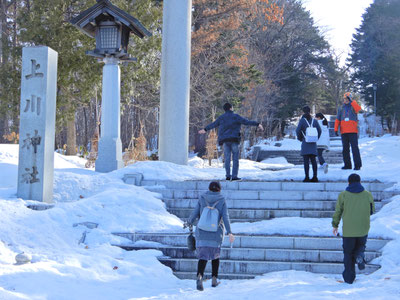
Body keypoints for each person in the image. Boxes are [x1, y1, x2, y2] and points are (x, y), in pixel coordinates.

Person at [187, 181, 234, 291]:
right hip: (215, 233)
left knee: (202, 257)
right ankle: (214, 279)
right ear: (219, 189)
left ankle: (199, 276)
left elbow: (195, 213)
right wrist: (229, 232)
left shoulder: (202, 198)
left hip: (202, 232)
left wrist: (189, 222)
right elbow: (225, 217)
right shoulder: (221, 200)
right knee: (215, 257)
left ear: (209, 188)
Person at [198, 103, 263, 181]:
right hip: (234, 139)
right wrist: (257, 124)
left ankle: (228, 176)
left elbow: (213, 124)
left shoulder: (221, 117)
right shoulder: (236, 116)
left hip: (225, 140)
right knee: (235, 158)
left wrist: (205, 129)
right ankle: (234, 176)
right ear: (231, 108)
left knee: (227, 158)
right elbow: (246, 122)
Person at [332, 173, 375, 284]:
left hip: (348, 230)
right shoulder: (368, 194)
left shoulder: (343, 195)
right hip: (363, 228)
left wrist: (335, 225)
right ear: (360, 182)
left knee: (348, 253)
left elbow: (338, 211)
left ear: (349, 182)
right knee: (360, 246)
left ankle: (349, 278)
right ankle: (360, 255)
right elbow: (372, 211)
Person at [334, 92, 362, 170]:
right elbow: (337, 119)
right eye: (344, 99)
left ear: (350, 99)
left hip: (353, 131)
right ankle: (347, 165)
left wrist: (352, 101)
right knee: (345, 149)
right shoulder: (341, 108)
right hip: (344, 132)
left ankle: (357, 165)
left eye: (347, 99)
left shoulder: (353, 106)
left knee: (354, 148)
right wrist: (336, 129)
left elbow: (358, 109)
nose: (345, 100)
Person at [296, 106, 321, 182]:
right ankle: (315, 177)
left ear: (303, 112)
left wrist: (300, 138)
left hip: (305, 142)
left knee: (306, 161)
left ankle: (307, 177)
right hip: (313, 143)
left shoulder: (302, 121)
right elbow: (319, 131)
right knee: (313, 161)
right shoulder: (314, 121)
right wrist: (316, 138)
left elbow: (298, 130)